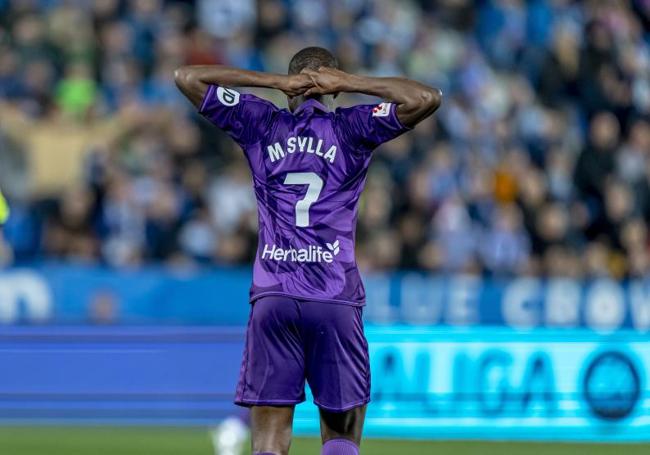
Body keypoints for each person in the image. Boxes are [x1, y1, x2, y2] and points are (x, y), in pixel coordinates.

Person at [174, 46, 441, 455]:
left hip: (273, 296)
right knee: (340, 436)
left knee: (268, 441)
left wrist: (272, 83)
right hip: (333, 297)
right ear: (333, 89)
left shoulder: (260, 122)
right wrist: (352, 82)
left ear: (290, 89)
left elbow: (187, 78)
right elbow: (427, 98)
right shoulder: (353, 128)